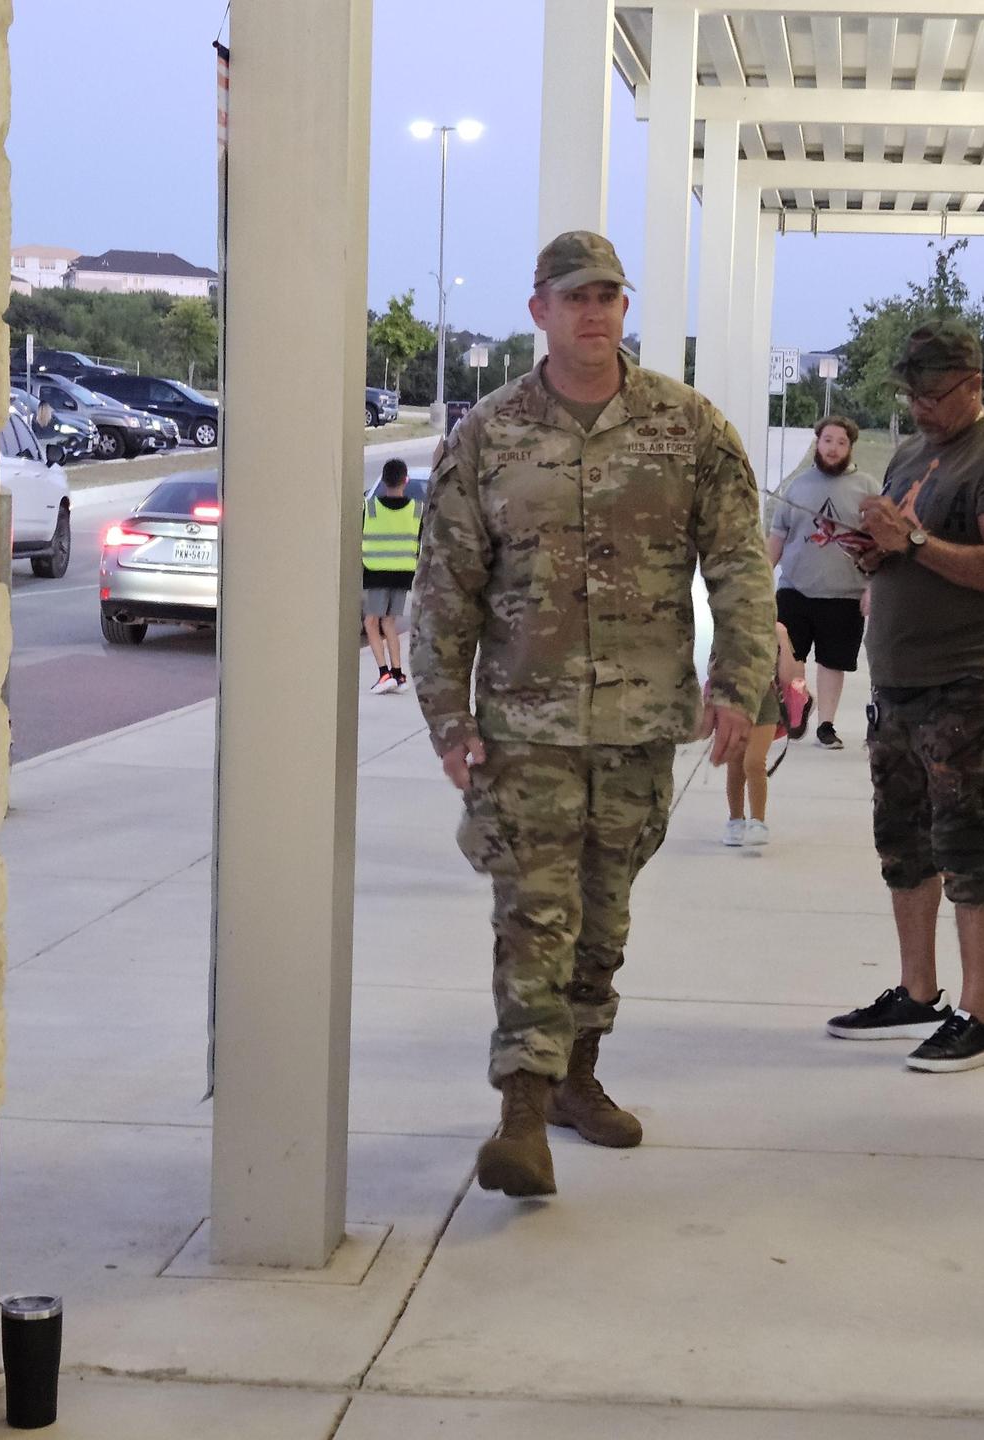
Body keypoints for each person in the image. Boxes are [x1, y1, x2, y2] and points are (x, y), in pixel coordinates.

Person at [411, 231, 776, 1198]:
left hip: (639, 725)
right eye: (574, 297)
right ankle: (521, 1112)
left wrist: (740, 683)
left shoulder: (686, 426)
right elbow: (445, 589)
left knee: (604, 916)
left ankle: (577, 1077)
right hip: (524, 726)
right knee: (534, 913)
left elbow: (739, 561)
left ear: (625, 307)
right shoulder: (486, 437)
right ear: (539, 310)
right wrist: (447, 720)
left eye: (609, 295)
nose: (594, 312)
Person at [824, 322, 984, 1072]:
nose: (919, 408)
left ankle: (978, 1014)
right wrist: (874, 548)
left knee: (967, 844)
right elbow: (901, 542)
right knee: (904, 842)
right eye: (911, 393)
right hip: (898, 681)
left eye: (934, 394)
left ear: (974, 384)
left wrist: (914, 543)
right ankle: (918, 992)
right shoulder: (916, 453)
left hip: (965, 682)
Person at [765, 415, 880, 749]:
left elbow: (880, 545)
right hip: (795, 589)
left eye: (840, 442)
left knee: (832, 662)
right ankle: (798, 710)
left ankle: (826, 725)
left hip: (845, 594)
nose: (833, 449)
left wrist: (873, 587)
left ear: (850, 447)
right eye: (827, 441)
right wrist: (759, 579)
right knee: (789, 657)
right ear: (818, 442)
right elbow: (777, 538)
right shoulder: (798, 485)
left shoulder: (867, 488)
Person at [722, 623, 807, 847]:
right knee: (735, 763)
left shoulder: (774, 629)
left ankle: (758, 821)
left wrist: (782, 639)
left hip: (766, 703)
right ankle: (735, 820)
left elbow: (788, 677)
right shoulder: (727, 624)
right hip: (734, 701)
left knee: (754, 762)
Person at [362, 457, 421, 693]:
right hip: (403, 573)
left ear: (384, 480)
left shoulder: (371, 508)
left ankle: (384, 673)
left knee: (371, 622)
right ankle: (398, 675)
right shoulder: (417, 509)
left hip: (377, 571)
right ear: (405, 480)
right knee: (389, 622)